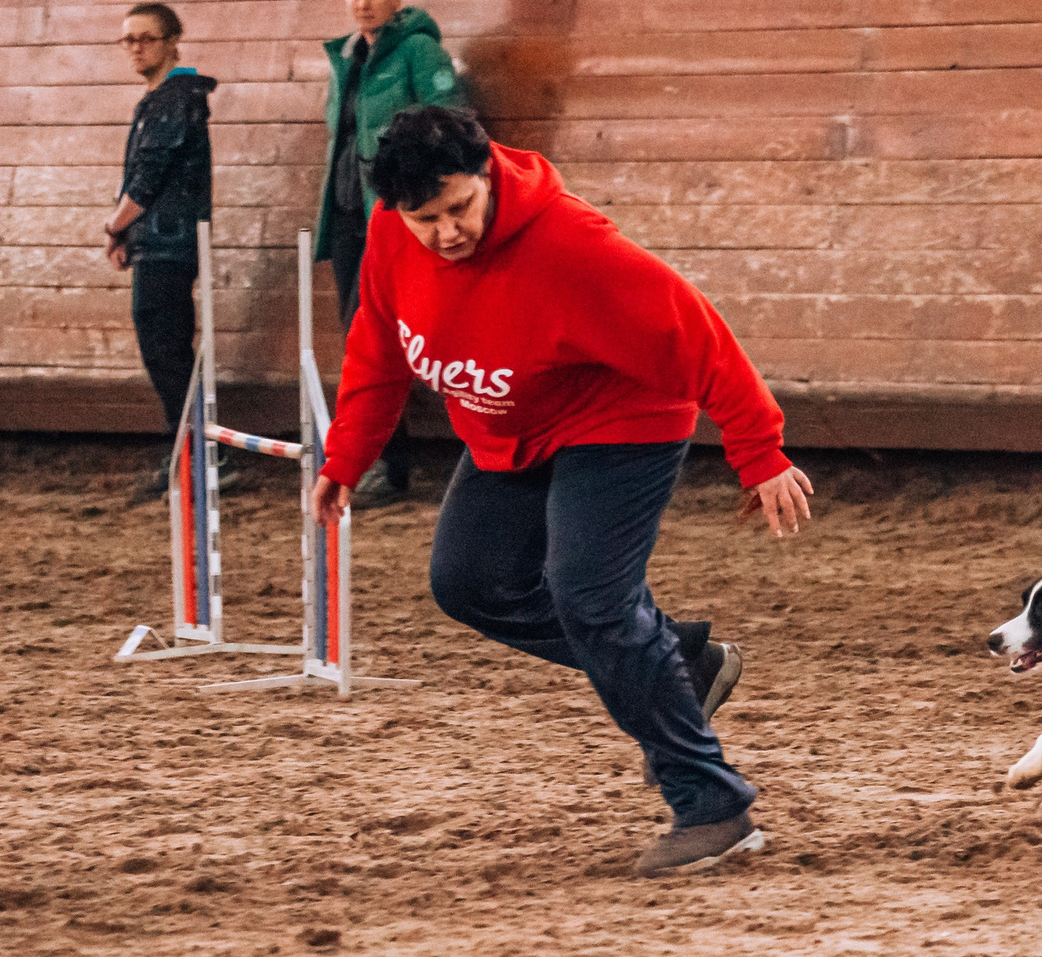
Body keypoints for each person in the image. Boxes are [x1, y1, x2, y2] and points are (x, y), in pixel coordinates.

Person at [312, 107, 814, 877]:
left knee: (590, 597)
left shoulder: (570, 246)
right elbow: (377, 350)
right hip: (510, 426)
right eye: (426, 220)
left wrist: (760, 450)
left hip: (622, 418)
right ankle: (677, 661)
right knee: (467, 583)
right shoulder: (388, 236)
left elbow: (697, 331)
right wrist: (345, 458)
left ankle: (712, 808)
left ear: (485, 177)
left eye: (460, 209)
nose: (447, 233)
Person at [314, 0, 467, 508]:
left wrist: (423, 200)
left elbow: (450, 117)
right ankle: (384, 460)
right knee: (360, 334)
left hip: (403, 215)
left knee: (380, 334)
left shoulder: (420, 52)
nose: (363, 3)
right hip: (353, 216)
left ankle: (393, 465)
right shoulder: (346, 58)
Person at [101, 2, 217, 498]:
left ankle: (195, 459)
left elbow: (147, 177)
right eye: (128, 39)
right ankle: (192, 456)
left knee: (166, 353)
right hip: (162, 239)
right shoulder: (166, 97)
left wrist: (115, 225)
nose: (135, 48)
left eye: (145, 38)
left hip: (167, 242)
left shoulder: (172, 100)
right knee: (169, 353)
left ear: (173, 41)